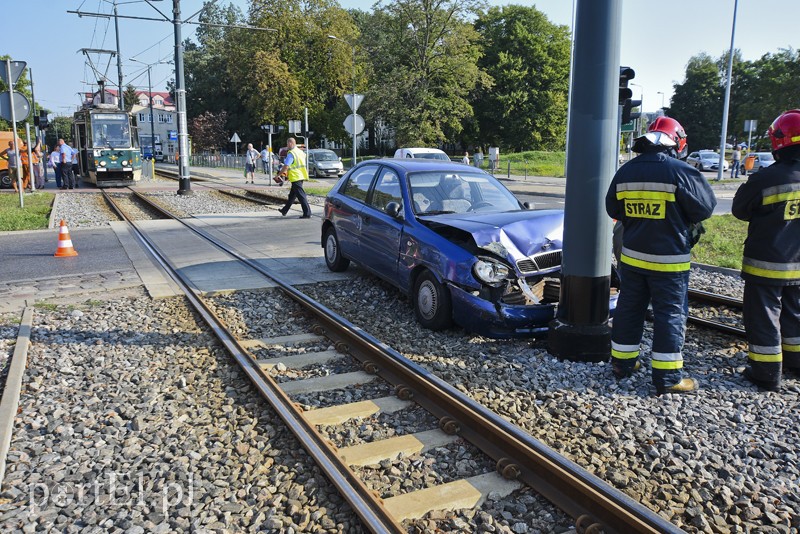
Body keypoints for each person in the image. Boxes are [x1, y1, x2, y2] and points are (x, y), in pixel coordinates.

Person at [605, 116, 717, 395]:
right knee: (670, 314)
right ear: (676, 142)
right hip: (669, 261)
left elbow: (613, 209)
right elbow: (704, 209)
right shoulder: (681, 171)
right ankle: (667, 378)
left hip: (632, 258)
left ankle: (623, 364)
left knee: (629, 308)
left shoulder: (626, 171)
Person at [732, 109, 800, 391]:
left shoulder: (766, 179)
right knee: (795, 313)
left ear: (778, 142)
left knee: (764, 316)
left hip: (766, 262)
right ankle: (796, 363)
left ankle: (766, 372)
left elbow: (739, 210)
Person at [276, 137, 311, 218]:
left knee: (301, 196)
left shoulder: (291, 153)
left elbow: (286, 166)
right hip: (301, 175)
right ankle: (284, 210)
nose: (287, 145)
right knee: (292, 196)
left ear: (291, 143)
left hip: (296, 177)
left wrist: (279, 175)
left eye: (287, 143)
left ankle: (307, 213)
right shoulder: (300, 152)